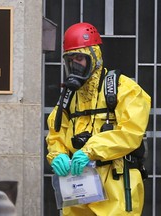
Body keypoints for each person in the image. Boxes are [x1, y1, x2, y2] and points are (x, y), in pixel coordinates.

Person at [46, 22, 151, 215]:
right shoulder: (70, 97)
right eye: (71, 60)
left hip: (116, 184)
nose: (76, 64)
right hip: (78, 186)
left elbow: (131, 133)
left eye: (80, 58)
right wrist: (58, 154)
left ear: (94, 56)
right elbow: (56, 132)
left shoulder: (123, 89)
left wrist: (91, 150)